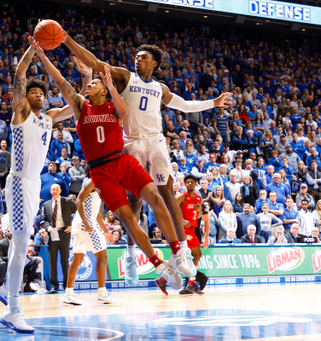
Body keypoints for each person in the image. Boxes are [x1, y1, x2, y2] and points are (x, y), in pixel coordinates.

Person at [63, 29, 230, 286]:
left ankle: (181, 251)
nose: (137, 59)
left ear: (154, 63)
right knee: (134, 205)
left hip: (156, 140)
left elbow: (184, 106)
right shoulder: (125, 77)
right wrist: (66, 40)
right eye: (136, 56)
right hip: (131, 142)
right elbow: (96, 63)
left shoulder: (160, 87)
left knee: (166, 193)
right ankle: (132, 256)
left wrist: (214, 103)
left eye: (142, 57)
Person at [31, 38, 191, 295]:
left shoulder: (114, 106)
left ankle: (178, 253)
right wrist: (42, 55)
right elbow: (61, 81)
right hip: (100, 170)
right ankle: (158, 265)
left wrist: (107, 84)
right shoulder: (81, 106)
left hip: (122, 160)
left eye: (94, 83)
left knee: (157, 199)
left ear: (103, 90)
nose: (89, 85)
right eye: (90, 82)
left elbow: (126, 112)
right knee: (128, 219)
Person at [0, 43, 76, 334]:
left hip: (35, 183)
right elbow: (19, 73)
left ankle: (7, 289)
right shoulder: (21, 112)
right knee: (20, 245)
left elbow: (74, 103)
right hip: (17, 181)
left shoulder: (50, 117)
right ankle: (12, 309)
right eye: (33, 92)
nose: (39, 94)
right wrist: (34, 51)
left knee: (21, 246)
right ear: (24, 98)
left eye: (42, 92)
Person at [62, 177, 114, 305]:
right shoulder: (92, 181)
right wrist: (86, 222)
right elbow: (78, 201)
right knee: (102, 256)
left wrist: (105, 231)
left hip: (81, 224)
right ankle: (102, 294)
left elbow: (97, 214)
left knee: (77, 258)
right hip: (86, 224)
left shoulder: (99, 184)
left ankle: (68, 294)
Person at [157, 174, 209, 296]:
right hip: (182, 230)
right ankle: (191, 281)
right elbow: (169, 209)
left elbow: (199, 216)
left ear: (196, 183)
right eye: (187, 182)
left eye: (191, 182)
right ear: (185, 184)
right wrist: (182, 220)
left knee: (190, 256)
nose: (189, 184)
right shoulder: (182, 196)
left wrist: (200, 210)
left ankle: (163, 280)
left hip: (192, 230)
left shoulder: (198, 198)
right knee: (187, 255)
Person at [42, 184, 76, 293]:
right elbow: (46, 220)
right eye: (53, 190)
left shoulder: (68, 201)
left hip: (65, 233)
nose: (55, 191)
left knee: (64, 261)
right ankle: (54, 285)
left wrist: (73, 226)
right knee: (53, 261)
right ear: (50, 191)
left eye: (57, 189)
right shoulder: (46, 204)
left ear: (60, 190)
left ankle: (67, 285)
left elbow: (79, 212)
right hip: (53, 234)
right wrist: (48, 227)